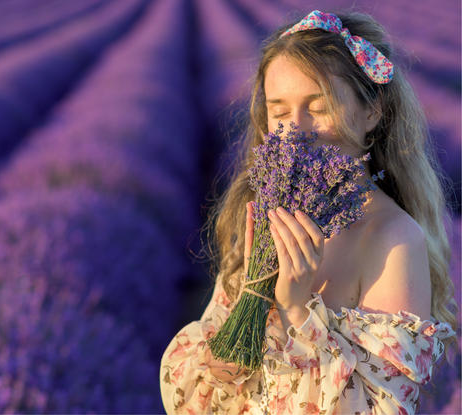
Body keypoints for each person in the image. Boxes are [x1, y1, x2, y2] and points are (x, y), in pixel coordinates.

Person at [160, 10, 457, 415]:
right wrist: (229, 345)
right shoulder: (266, 215)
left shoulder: (392, 239)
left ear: (372, 110)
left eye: (318, 107)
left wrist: (297, 310)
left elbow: (378, 407)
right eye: (279, 113)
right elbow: (200, 389)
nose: (295, 130)